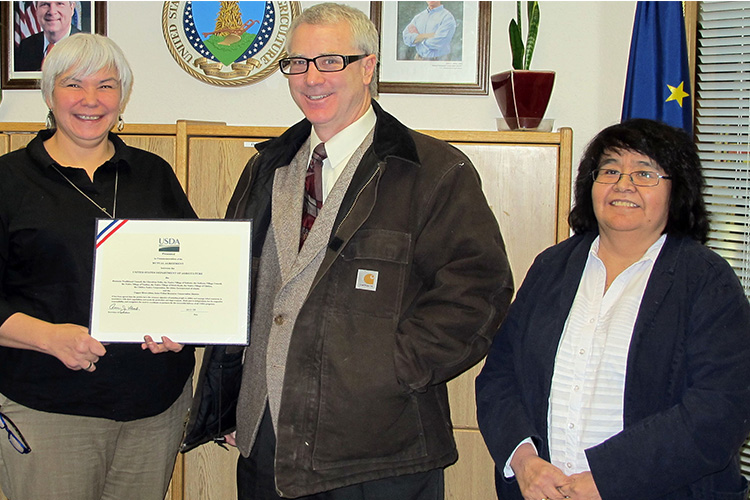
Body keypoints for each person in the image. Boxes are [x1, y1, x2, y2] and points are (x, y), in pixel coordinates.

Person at [184, 3, 513, 499]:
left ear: (368, 66)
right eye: (297, 63)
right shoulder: (266, 167)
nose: (311, 78)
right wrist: (233, 392)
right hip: (266, 443)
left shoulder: (434, 172)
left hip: (378, 453)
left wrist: (391, 370)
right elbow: (242, 287)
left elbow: (477, 293)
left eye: (329, 61)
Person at [476, 119, 750, 500]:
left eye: (644, 172)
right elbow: (499, 378)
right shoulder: (552, 267)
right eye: (610, 170)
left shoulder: (706, 281)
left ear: (678, 190)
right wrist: (523, 459)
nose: (624, 184)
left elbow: (719, 411)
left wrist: (608, 478)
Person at [0, 33, 196, 500]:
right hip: (49, 410)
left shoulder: (154, 174)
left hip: (154, 410)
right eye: (74, 84)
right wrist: (49, 338)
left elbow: (192, 270)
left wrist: (185, 323)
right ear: (49, 94)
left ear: (122, 96)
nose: (91, 100)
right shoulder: (8, 181)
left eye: (106, 86)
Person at [15, 1, 81, 72]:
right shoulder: (26, 46)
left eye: (59, 4)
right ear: (36, 10)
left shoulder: (88, 47)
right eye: (45, 4)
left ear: (71, 9)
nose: (52, 12)